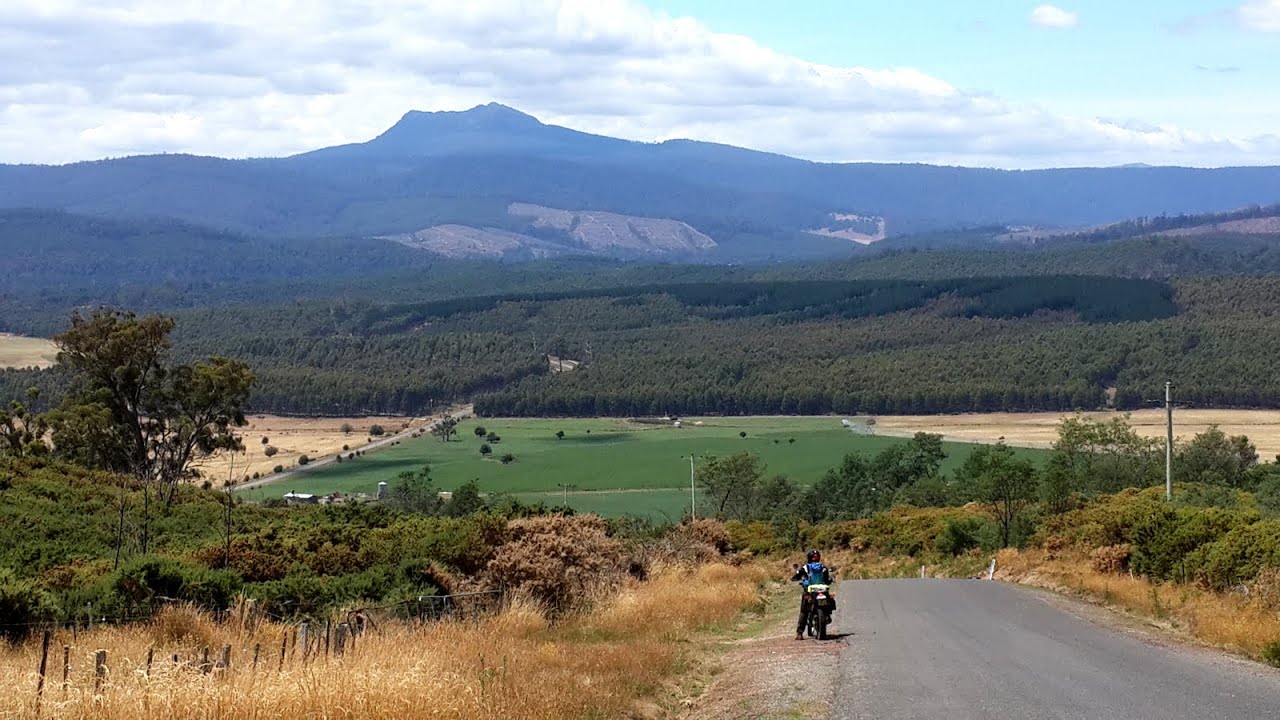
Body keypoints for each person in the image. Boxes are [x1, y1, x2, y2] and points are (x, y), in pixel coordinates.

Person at [792, 548, 834, 640]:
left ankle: (799, 633)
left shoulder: (805, 567)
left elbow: (797, 577)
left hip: (810, 591)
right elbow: (827, 580)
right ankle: (828, 615)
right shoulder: (823, 568)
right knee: (829, 599)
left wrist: (797, 578)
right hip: (822, 590)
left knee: (804, 611)